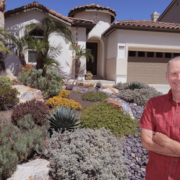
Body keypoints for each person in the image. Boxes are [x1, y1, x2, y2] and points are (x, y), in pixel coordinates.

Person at [139, 56, 180, 180]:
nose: (178, 78)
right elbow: (146, 142)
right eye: (174, 74)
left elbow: (152, 143)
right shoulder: (153, 104)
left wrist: (168, 142)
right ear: (167, 76)